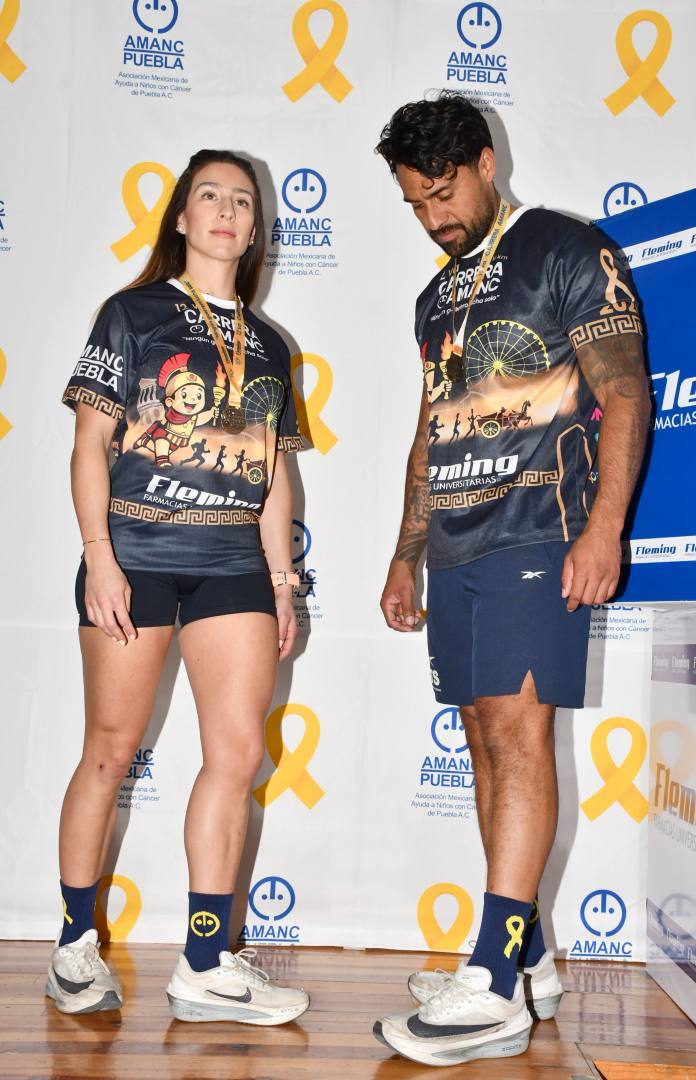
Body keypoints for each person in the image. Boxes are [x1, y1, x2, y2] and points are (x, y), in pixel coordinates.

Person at [374, 94, 651, 1066]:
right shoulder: (436, 297)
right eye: (416, 203)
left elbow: (625, 391)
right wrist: (406, 549)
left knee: (519, 733)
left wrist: (605, 528)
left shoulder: (567, 249)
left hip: (543, 528)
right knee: (484, 742)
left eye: (444, 192)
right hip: (456, 543)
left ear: (486, 163)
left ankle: (492, 983)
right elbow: (432, 426)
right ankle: (525, 955)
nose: (434, 217)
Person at [49, 149, 309, 1026]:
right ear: (183, 219)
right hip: (136, 556)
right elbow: (90, 445)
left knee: (235, 758)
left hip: (234, 566)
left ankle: (205, 963)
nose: (227, 211)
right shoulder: (132, 313)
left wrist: (282, 581)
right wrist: (100, 555)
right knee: (109, 750)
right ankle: (74, 943)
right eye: (210, 196)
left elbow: (275, 474)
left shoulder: (270, 343)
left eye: (242, 200)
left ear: (255, 226)